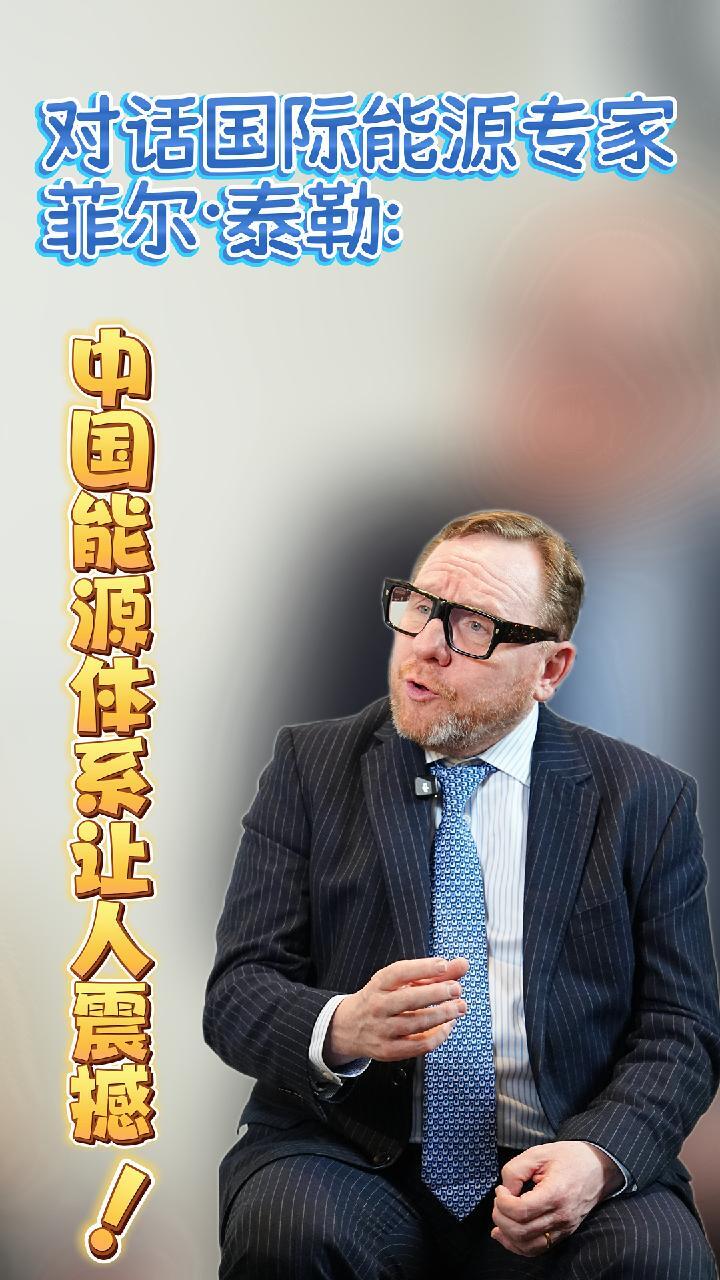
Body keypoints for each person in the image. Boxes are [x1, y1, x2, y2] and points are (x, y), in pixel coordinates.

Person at [204, 509, 720, 1279]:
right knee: (292, 1227)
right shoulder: (310, 768)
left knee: (656, 1259)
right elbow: (237, 993)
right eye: (419, 607)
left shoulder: (646, 800)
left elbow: (682, 1028)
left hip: (562, 1144)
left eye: (474, 627)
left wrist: (598, 1156)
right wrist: (344, 1025)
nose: (427, 645)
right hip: (352, 1149)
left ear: (550, 669)